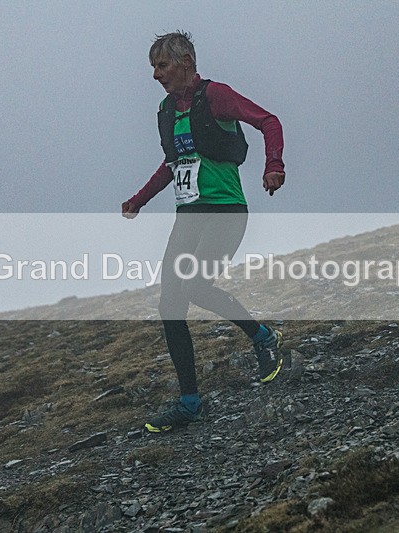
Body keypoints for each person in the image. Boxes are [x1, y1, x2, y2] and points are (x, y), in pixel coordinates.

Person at [122, 31, 286, 433]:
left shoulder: (216, 96)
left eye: (162, 65)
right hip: (189, 218)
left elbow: (269, 121)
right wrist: (139, 200)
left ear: (187, 62)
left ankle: (263, 337)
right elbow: (172, 164)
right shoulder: (167, 109)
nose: (156, 75)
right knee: (170, 307)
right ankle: (189, 402)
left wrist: (274, 165)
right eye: (153, 67)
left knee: (195, 285)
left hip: (225, 212)